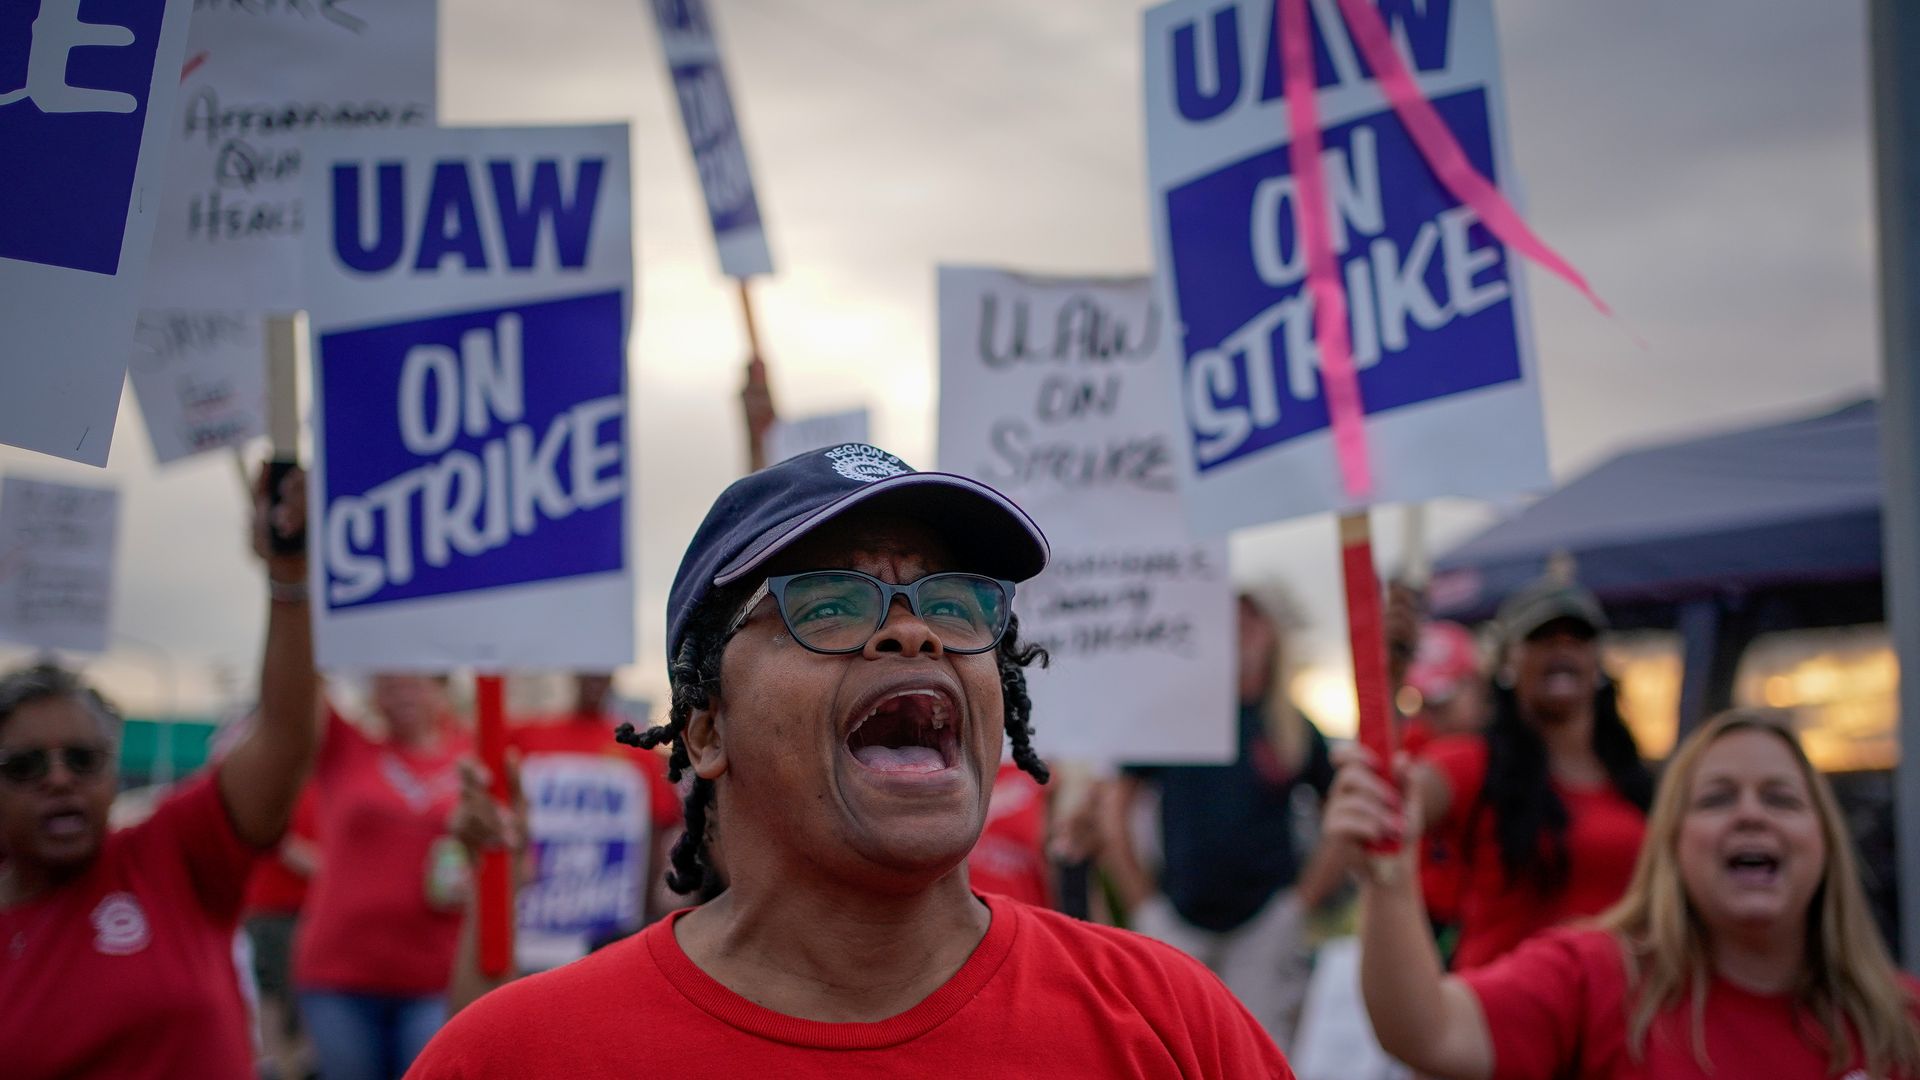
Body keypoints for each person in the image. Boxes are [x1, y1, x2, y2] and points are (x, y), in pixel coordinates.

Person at [408, 443, 1294, 1077]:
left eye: (953, 601)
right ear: (708, 729)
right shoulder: (520, 1054)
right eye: (828, 604)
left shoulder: (1173, 1024)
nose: (911, 628)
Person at [1326, 709, 1920, 1079]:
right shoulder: (1595, 978)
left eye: (1782, 798)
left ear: (1826, 843)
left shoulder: (1902, 1021)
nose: (1750, 815)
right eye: (1716, 799)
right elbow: (1426, 1032)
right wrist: (1390, 881)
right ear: (1672, 846)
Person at [0, 464, 318, 1079]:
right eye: (26, 765)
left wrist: (290, 577)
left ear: (113, 772)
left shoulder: (170, 855)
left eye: (83, 759)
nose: (59, 778)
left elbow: (284, 735)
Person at [1100, 586, 1342, 1049]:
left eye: (1251, 621)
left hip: (1263, 924)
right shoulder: (1176, 716)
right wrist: (1143, 903)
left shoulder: (1290, 724)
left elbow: (1342, 811)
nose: (1240, 632)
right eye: (1228, 622)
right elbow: (1116, 805)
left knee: (1258, 1052)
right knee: (1174, 1050)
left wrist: (1301, 902)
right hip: (1178, 918)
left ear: (1272, 634)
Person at [1415, 574, 1653, 969]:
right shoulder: (1472, 763)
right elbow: (1385, 808)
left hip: (1614, 1012)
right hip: (1502, 1013)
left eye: (1577, 638)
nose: (1561, 649)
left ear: (1598, 665)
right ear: (1507, 663)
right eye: (1542, 639)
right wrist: (1385, 679)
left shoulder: (1634, 778)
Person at [295, 674, 471, 1080]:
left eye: (413, 680)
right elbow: (301, 683)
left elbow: (517, 856)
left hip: (435, 978)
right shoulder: (347, 748)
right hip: (339, 976)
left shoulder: (474, 757)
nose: (402, 691)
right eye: (388, 683)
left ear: (443, 689)